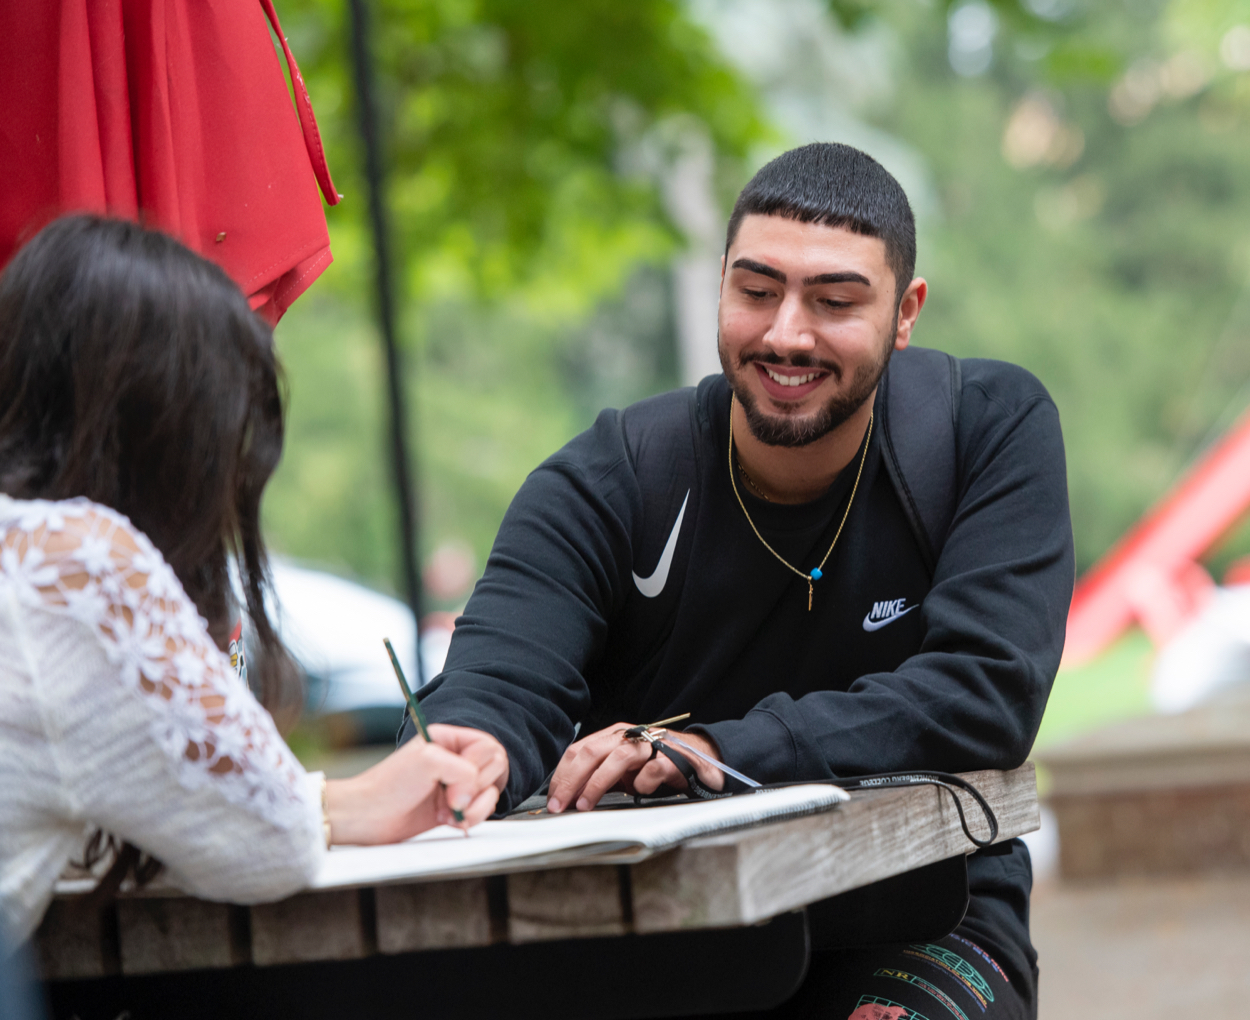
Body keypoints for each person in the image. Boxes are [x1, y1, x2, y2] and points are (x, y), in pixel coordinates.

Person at [405, 143, 1074, 1019]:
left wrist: (718, 752)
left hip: (924, 915)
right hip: (663, 944)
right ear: (721, 282)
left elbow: (985, 690)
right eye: (756, 291)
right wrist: (477, 746)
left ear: (905, 313)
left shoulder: (983, 429)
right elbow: (502, 677)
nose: (786, 334)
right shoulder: (611, 479)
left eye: (834, 301)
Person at [0, 216, 506, 950]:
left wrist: (338, 803)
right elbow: (267, 848)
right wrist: (330, 809)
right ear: (171, 436)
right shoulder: (74, 562)